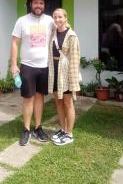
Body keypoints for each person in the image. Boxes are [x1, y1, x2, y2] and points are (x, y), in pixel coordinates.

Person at [10, 0, 54, 146]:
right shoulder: (22, 21)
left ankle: (38, 127)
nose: (38, 5)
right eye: (35, 3)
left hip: (44, 66)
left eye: (41, 3)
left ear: (44, 5)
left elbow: (61, 29)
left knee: (40, 97)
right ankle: (26, 129)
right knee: (28, 98)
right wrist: (14, 64)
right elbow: (15, 42)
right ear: (30, 4)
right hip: (28, 66)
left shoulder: (50, 20)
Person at [48, 8, 80, 146]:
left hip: (66, 72)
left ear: (65, 18)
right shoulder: (53, 33)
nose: (57, 20)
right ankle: (62, 129)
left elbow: (75, 59)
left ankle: (69, 133)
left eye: (60, 17)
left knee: (68, 102)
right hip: (54, 71)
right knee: (58, 102)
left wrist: (73, 80)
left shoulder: (72, 36)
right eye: (55, 17)